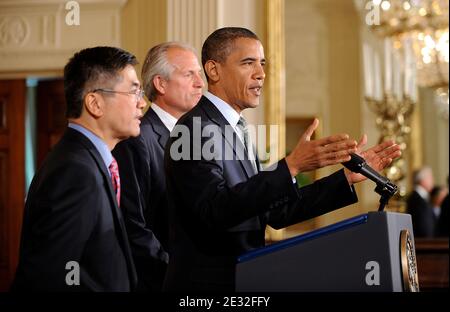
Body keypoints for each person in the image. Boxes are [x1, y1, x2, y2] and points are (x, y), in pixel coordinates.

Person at [163, 27, 401, 292]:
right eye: (248, 63)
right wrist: (291, 166)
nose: (261, 74)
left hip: (243, 279)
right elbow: (215, 211)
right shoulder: (193, 129)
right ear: (214, 70)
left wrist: (345, 179)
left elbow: (274, 212)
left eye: (262, 64)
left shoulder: (234, 129)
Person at [11, 46, 146, 291]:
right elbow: (46, 278)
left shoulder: (88, 160)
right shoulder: (75, 172)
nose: (142, 103)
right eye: (134, 91)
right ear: (95, 103)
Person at [112, 42, 204, 291]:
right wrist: (176, 273)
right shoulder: (138, 139)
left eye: (200, 74)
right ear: (160, 84)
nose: (200, 83)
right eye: (189, 75)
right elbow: (132, 226)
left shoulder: (195, 137)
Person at [406, 166, 436, 238]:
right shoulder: (416, 199)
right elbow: (424, 228)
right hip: (422, 244)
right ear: (423, 180)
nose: (433, 181)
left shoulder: (420, 197)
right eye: (430, 178)